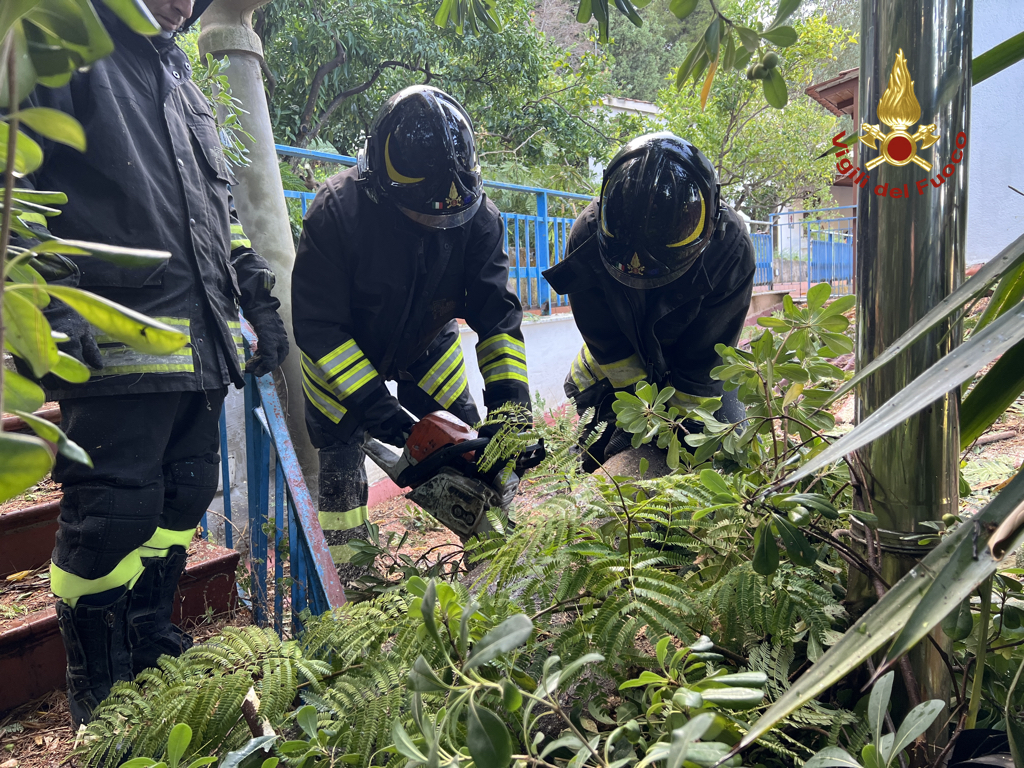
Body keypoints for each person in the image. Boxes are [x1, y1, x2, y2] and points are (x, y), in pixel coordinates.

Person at [19, 0, 289, 726]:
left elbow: (219, 215)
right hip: (112, 336)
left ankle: (148, 643)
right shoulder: (65, 44)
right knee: (111, 515)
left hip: (200, 340)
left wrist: (257, 299)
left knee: (185, 495)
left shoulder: (182, 82)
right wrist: (44, 316)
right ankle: (99, 691)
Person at [291, 85, 530, 581]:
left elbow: (497, 318)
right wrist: (395, 424)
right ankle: (353, 591)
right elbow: (319, 328)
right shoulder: (336, 212)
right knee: (340, 476)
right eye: (422, 216)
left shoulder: (479, 216)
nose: (436, 223)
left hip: (427, 344)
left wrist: (512, 410)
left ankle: (498, 569)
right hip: (343, 359)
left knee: (467, 452)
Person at [543, 133, 755, 470]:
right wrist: (633, 420)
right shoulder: (588, 238)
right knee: (593, 466)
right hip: (611, 377)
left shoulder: (730, 251)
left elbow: (705, 362)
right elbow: (607, 341)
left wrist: (674, 433)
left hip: (696, 378)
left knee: (726, 454)